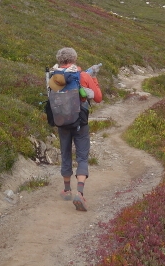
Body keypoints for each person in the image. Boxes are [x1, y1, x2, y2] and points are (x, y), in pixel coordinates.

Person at [52, 47, 102, 212]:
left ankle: (67, 190)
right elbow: (98, 98)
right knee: (82, 156)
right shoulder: (83, 76)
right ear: (74, 58)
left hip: (61, 120)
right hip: (80, 121)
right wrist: (94, 80)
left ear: (59, 59)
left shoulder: (54, 76)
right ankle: (79, 193)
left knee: (65, 152)